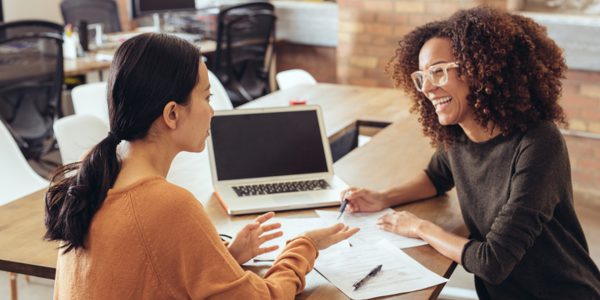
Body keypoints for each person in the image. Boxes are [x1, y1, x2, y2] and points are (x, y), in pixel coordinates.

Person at [44, 33, 358, 299]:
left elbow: (148, 274)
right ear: (171, 114)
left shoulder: (93, 176)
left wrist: (225, 257)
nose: (212, 111)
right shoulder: (167, 205)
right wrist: (304, 246)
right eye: (206, 97)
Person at [342, 7, 600, 299]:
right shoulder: (459, 134)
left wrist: (419, 227)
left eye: (438, 71)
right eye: (421, 76)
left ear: (481, 70)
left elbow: (491, 262)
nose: (426, 88)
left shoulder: (539, 143)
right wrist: (383, 197)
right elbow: (436, 177)